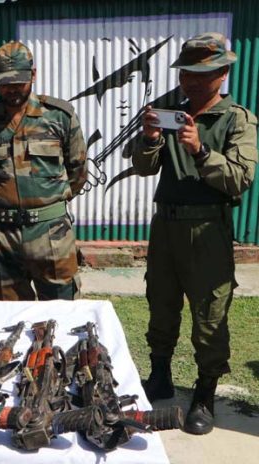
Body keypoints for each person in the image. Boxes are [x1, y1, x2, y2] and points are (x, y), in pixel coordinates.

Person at [125, 33, 257, 435]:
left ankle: (204, 393)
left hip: (207, 230)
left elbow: (239, 179)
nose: (192, 82)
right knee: (161, 303)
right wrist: (149, 139)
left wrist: (200, 150)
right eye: (186, 73)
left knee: (209, 315)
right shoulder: (170, 113)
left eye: (202, 73)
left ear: (223, 72)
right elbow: (145, 167)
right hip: (164, 227)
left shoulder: (237, 119)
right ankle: (161, 374)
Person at [0, 41, 87, 301]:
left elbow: (78, 170)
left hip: (51, 234)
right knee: (8, 318)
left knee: (60, 312)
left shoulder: (58, 116)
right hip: (1, 236)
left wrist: (45, 205)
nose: (11, 89)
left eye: (19, 81)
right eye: (4, 83)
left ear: (33, 74)